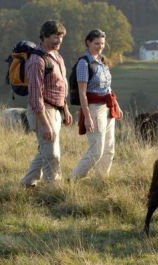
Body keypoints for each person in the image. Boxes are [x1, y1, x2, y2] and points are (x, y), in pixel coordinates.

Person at [20, 20, 72, 187]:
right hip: (43, 111)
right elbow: (36, 96)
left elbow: (61, 85)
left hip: (55, 110)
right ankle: (53, 190)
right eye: (55, 36)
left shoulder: (57, 56)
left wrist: (65, 109)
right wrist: (45, 123)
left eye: (61, 37)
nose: (59, 40)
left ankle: (27, 184)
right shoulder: (37, 60)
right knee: (52, 154)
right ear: (43, 37)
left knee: (45, 151)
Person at [69, 29, 123, 180]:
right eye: (97, 43)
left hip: (108, 107)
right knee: (96, 151)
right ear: (88, 42)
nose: (100, 46)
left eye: (102, 43)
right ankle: (72, 179)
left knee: (109, 149)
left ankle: (100, 180)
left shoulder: (102, 61)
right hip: (93, 108)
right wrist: (87, 117)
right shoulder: (84, 63)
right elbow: (82, 93)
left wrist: (116, 105)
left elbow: (108, 87)